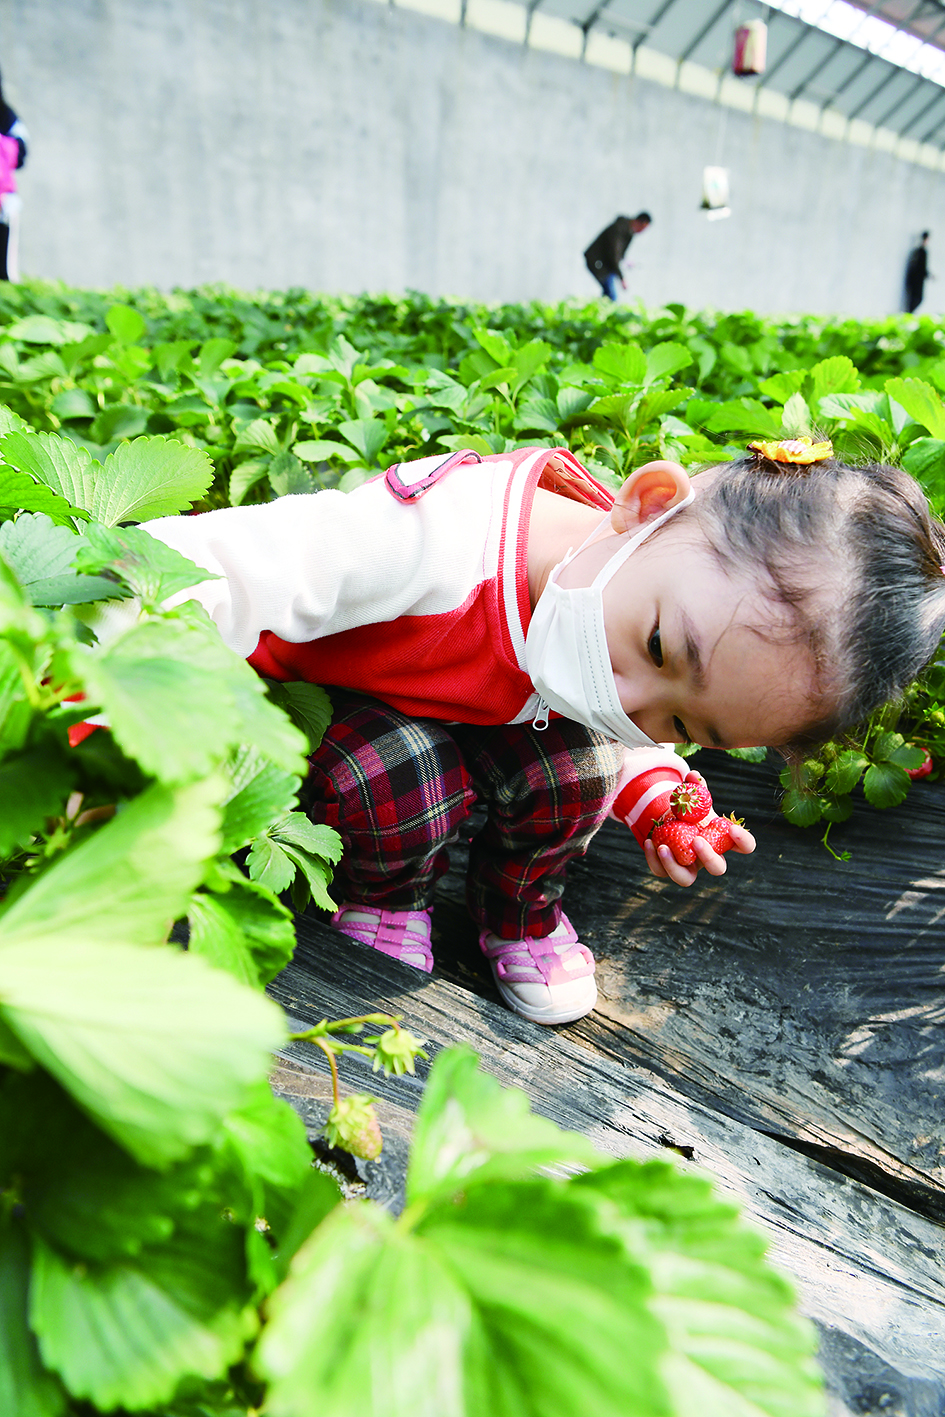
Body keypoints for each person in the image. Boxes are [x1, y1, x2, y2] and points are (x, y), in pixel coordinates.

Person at [107, 437, 945, 1026]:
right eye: (656, 644)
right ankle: (385, 895)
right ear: (646, 506)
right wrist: (107, 673)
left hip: (472, 703)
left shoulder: (621, 608)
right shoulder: (430, 542)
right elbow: (227, 560)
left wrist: (657, 790)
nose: (627, 693)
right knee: (406, 774)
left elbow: (628, 720)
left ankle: (517, 913)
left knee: (577, 767)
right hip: (331, 693)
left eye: (686, 721)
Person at [584, 212, 651, 300]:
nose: (642, 231)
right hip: (599, 262)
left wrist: (626, 261)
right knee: (611, 296)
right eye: (643, 228)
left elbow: (619, 254)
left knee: (608, 294)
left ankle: (601, 309)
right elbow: (613, 253)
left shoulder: (629, 232)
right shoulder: (620, 228)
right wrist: (622, 278)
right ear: (638, 222)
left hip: (606, 264)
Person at [905, 232, 931, 314]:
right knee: (917, 298)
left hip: (915, 278)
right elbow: (922, 266)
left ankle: (909, 313)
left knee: (914, 298)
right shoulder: (921, 251)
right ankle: (909, 314)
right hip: (917, 279)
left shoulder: (919, 251)